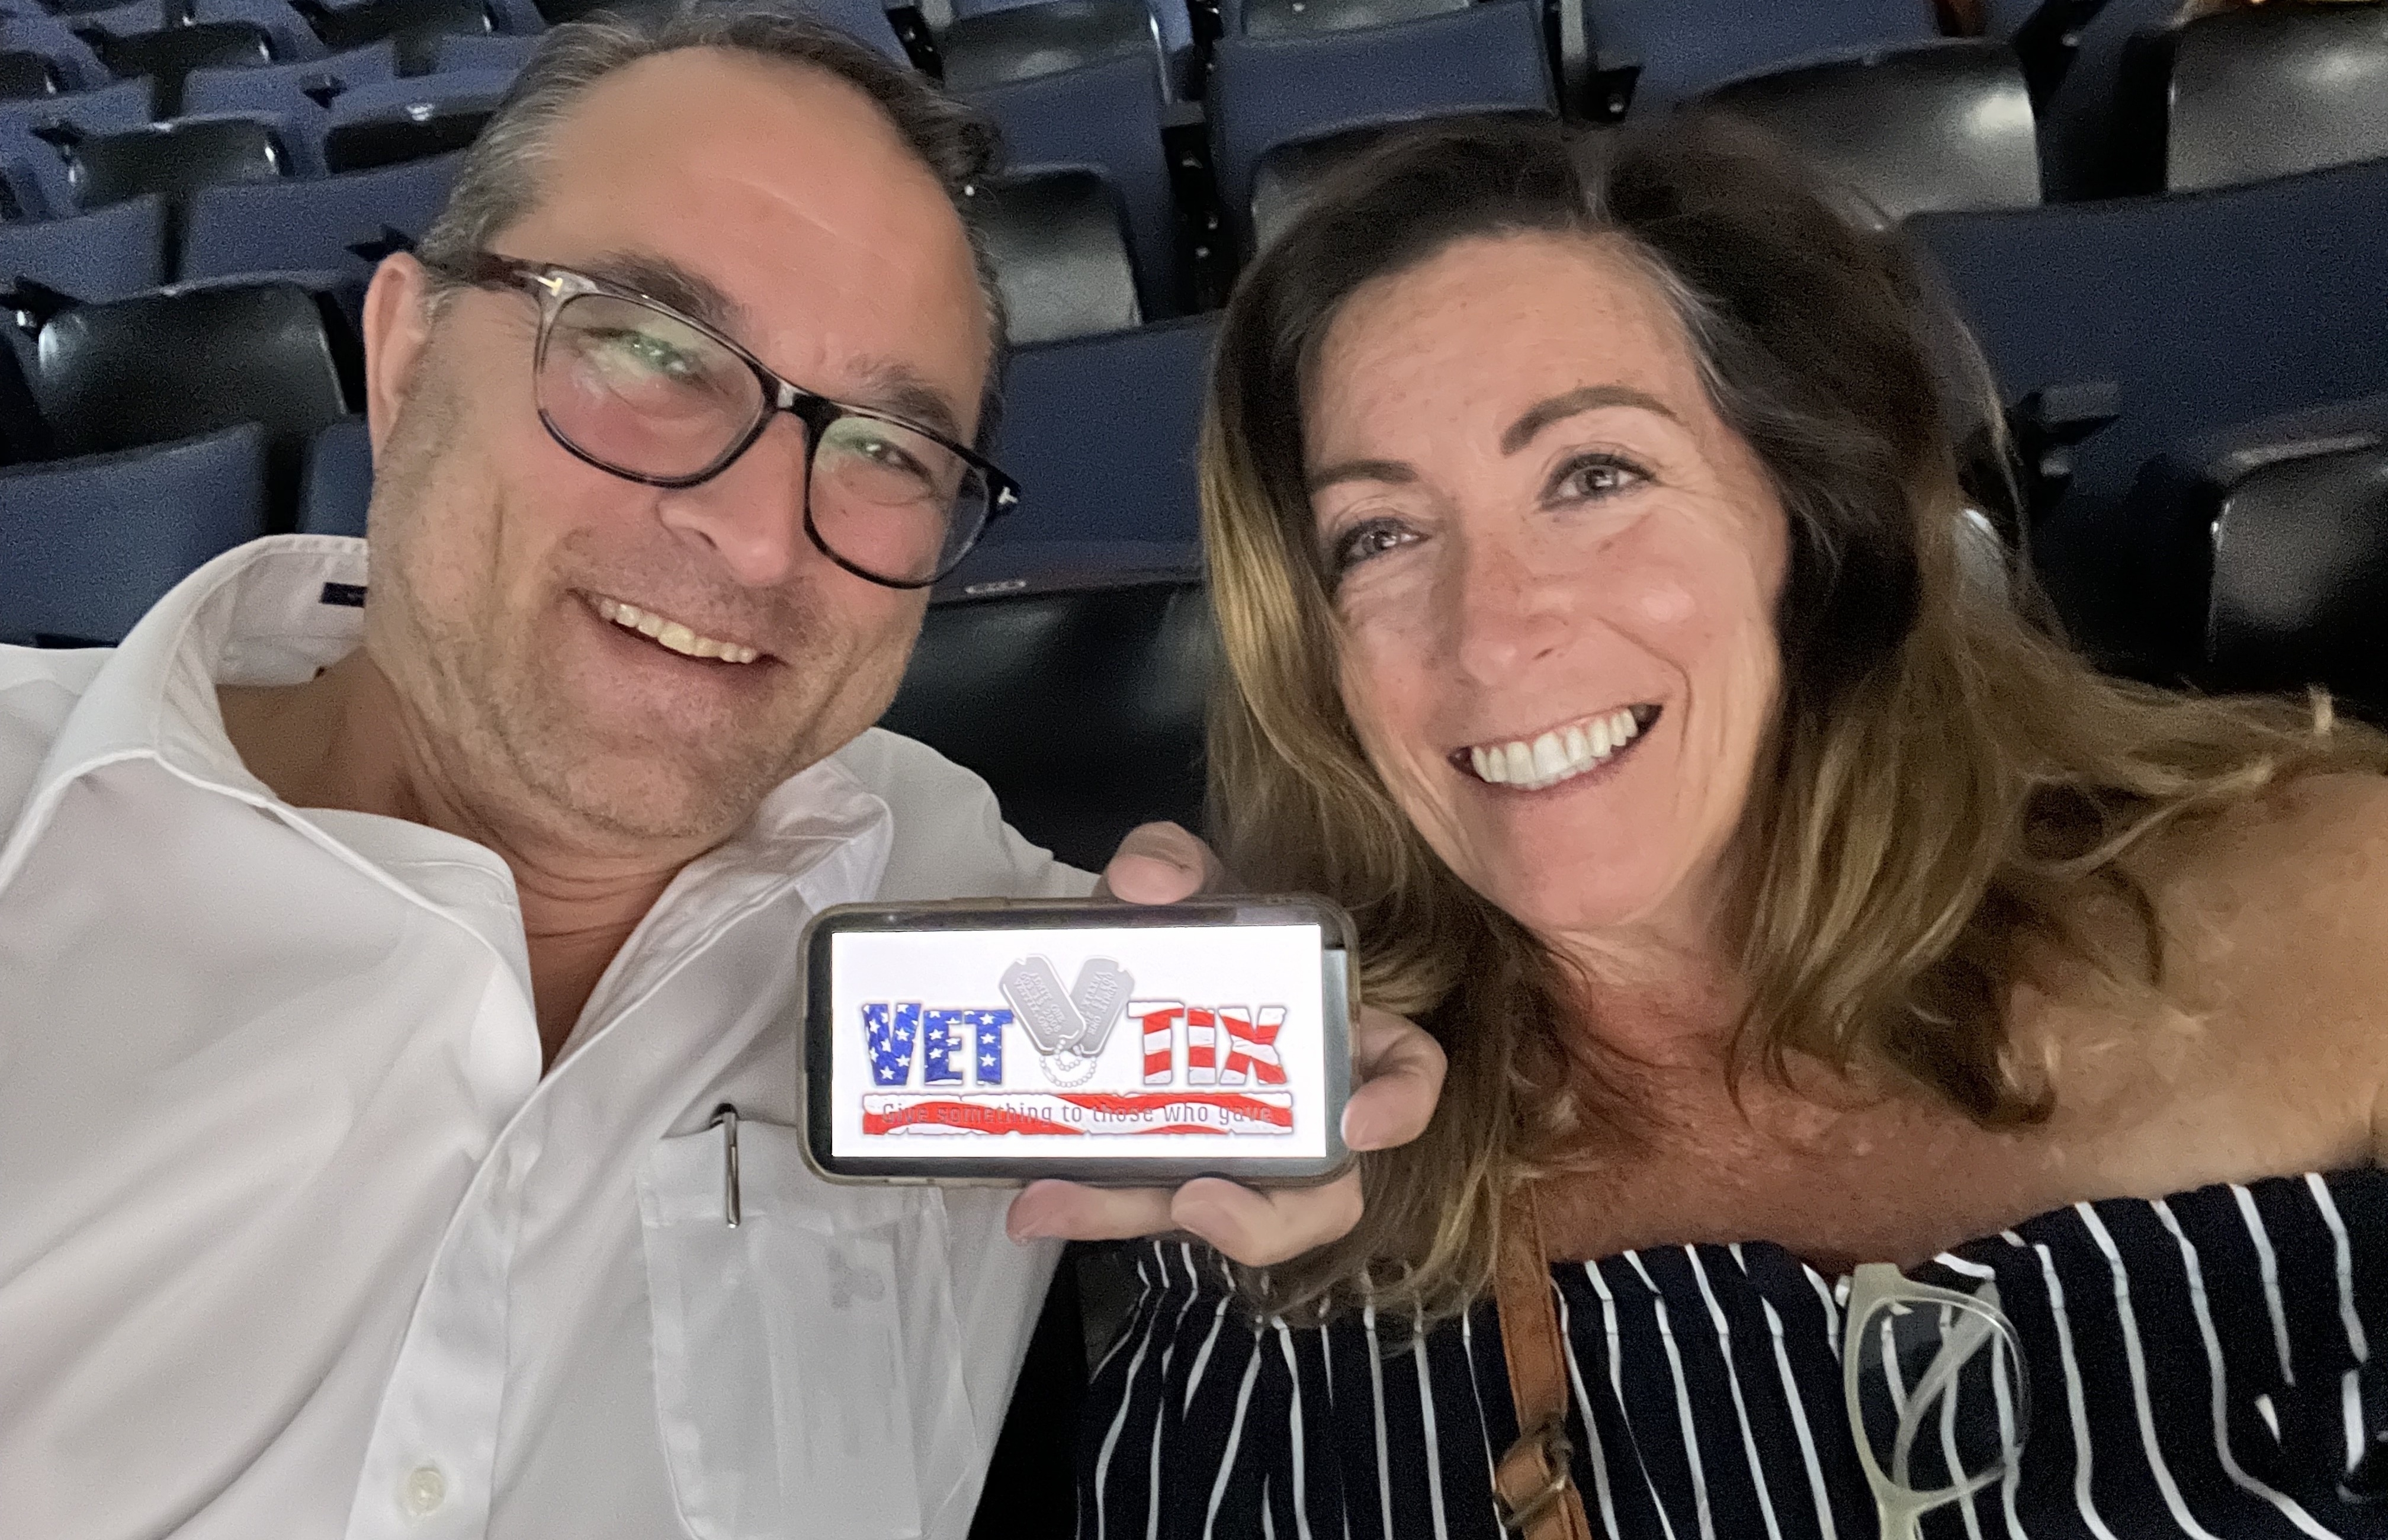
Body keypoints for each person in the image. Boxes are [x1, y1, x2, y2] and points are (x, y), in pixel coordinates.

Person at [0, 11, 1443, 1538]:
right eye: (649, 349)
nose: (757, 535)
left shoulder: (966, 905)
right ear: (407, 356)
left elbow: (1363, 1036)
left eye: (888, 449)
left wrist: (1368, 1091)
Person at [1079, 114, 2388, 1538]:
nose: (1490, 635)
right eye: (1380, 536)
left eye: (1594, 476)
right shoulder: (1296, 1208)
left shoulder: (2343, 916)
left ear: (1811, 516)